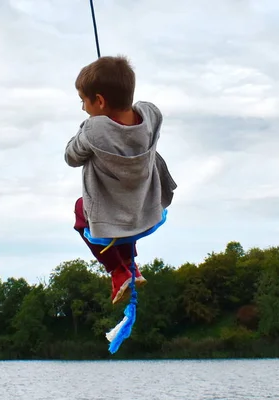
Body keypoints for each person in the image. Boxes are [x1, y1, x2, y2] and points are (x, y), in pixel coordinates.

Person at [64, 55, 177, 305]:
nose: (83, 107)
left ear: (100, 101)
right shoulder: (150, 117)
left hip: (115, 218)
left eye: (84, 101)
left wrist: (88, 124)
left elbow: (71, 156)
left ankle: (117, 271)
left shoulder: (94, 130)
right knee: (115, 208)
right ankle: (132, 269)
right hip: (147, 211)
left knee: (81, 210)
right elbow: (136, 109)